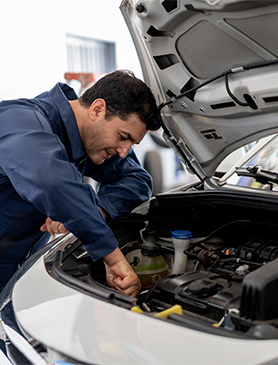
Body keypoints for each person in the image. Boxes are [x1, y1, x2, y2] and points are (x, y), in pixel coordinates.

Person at [0, 70, 161, 296]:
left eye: (132, 144)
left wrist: (98, 209)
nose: (124, 152)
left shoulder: (90, 140)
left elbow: (137, 179)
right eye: (123, 137)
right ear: (97, 109)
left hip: (22, 262)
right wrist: (114, 259)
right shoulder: (20, 121)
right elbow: (52, 183)